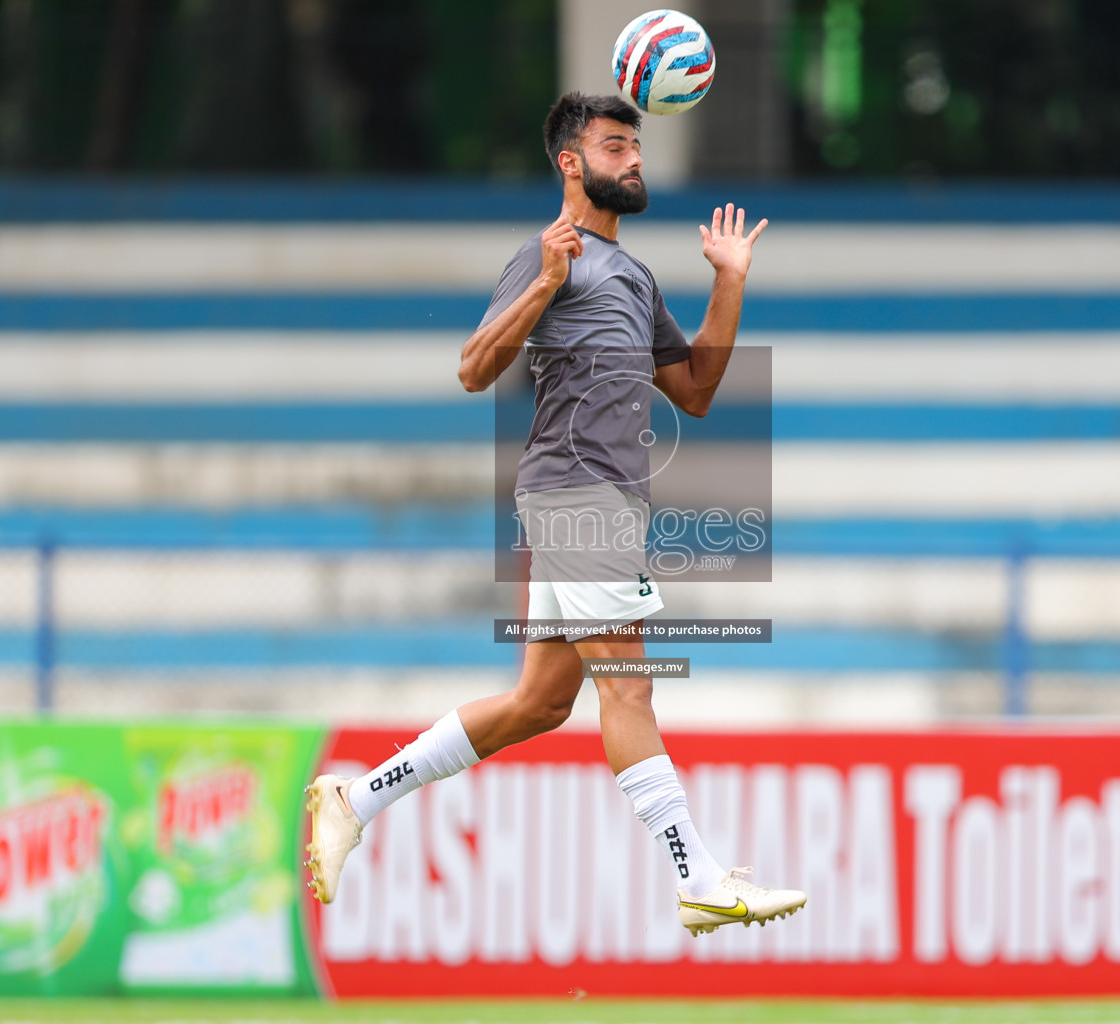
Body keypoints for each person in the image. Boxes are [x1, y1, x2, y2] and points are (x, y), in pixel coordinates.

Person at [304, 92, 805, 937]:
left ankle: (355, 797)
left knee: (539, 703)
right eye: (615, 146)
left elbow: (697, 390)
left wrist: (729, 283)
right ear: (571, 164)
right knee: (630, 686)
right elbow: (472, 368)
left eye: (636, 147)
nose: (634, 160)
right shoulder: (551, 258)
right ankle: (699, 877)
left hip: (590, 501)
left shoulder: (636, 279)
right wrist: (541, 282)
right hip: (577, 496)